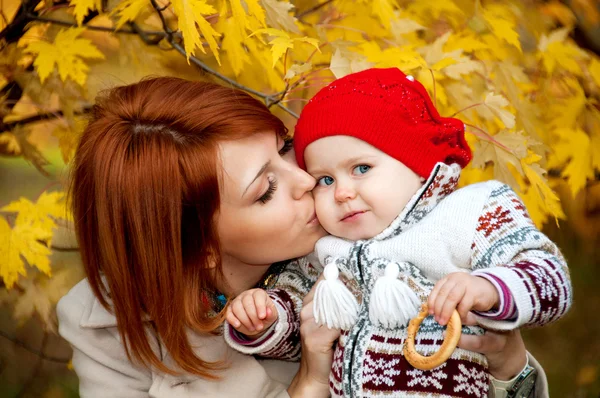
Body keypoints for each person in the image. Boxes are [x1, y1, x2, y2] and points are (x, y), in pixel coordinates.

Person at [57, 76, 550, 398]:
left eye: (286, 149)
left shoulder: (371, 247)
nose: (308, 180)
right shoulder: (107, 331)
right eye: (265, 190)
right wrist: (311, 381)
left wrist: (512, 367)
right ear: (198, 245)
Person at [223, 69, 571, 397]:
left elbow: (551, 278)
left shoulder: (469, 212)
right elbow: (302, 326)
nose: (342, 192)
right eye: (325, 180)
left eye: (361, 168)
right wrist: (265, 319)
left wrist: (492, 288)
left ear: (418, 167)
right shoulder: (325, 251)